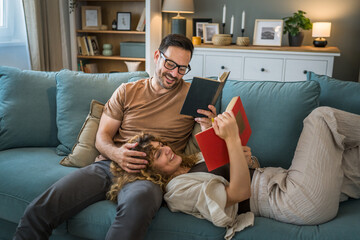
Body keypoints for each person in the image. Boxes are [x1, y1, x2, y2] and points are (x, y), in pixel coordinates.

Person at [13, 34, 254, 240]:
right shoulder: (127, 91)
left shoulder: (194, 96)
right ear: (157, 56)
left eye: (182, 68)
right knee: (43, 207)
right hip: (111, 165)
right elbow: (102, 137)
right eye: (170, 64)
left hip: (152, 176)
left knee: (138, 207)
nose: (175, 74)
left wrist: (206, 125)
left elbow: (208, 151)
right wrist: (116, 153)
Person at [107, 106, 360, 239]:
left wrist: (243, 156)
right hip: (292, 200)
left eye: (161, 145)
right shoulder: (176, 190)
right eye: (157, 155)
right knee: (321, 118)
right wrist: (231, 141)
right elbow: (239, 191)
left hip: (287, 181)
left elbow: (244, 170)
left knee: (353, 155)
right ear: (151, 173)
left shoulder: (190, 159)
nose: (166, 150)